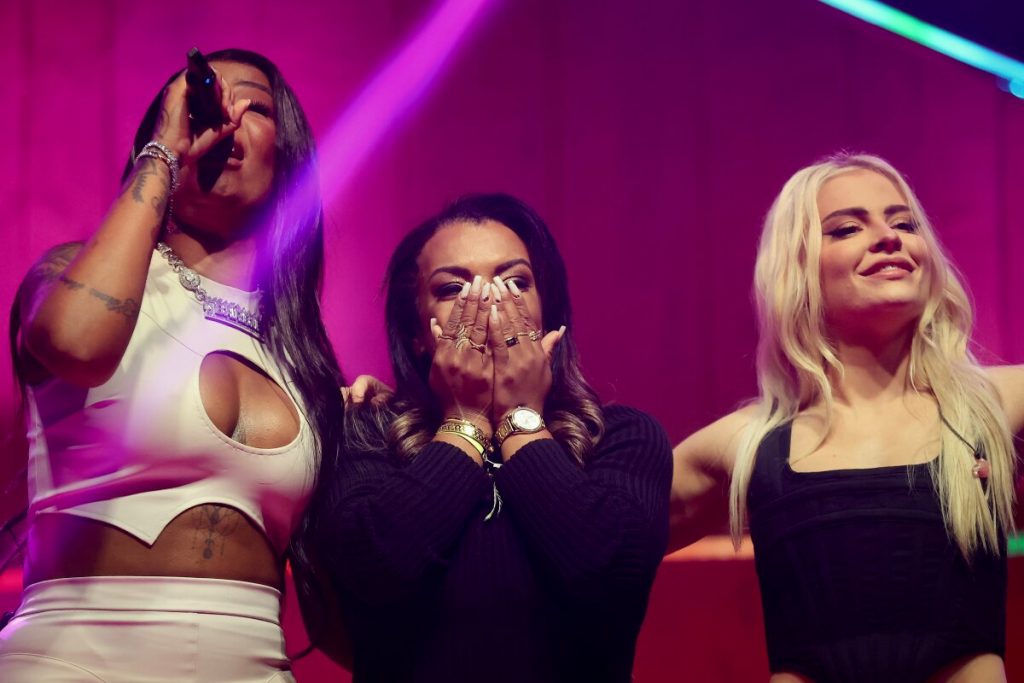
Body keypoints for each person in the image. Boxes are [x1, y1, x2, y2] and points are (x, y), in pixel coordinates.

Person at [1, 49, 345, 682]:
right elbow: (76, 343)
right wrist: (164, 151)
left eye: (256, 106)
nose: (227, 116)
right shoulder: (68, 273)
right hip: (74, 660)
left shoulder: (302, 360)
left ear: (287, 154)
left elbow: (341, 612)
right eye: (207, 99)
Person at [671, 153, 1016, 682]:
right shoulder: (749, 442)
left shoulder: (995, 404)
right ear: (796, 268)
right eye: (848, 228)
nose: (889, 237)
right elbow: (588, 544)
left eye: (905, 224)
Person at [299, 193, 672, 682]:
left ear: (546, 313)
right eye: (454, 288)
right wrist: (466, 421)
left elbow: (607, 574)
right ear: (417, 333)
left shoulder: (622, 437)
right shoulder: (364, 435)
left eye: (515, 282)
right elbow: (375, 569)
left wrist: (519, 417)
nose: (490, 302)